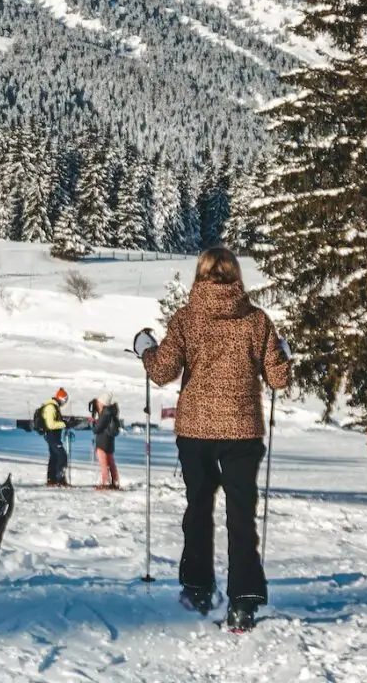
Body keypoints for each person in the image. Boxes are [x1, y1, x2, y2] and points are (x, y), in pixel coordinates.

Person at [138, 246, 291, 632]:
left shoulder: (187, 319)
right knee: (241, 516)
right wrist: (283, 355)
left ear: (201, 273)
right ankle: (243, 601)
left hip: (195, 430)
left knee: (198, 508)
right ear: (236, 275)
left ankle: (197, 586)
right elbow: (278, 379)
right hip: (242, 430)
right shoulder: (257, 321)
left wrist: (145, 349)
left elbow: (162, 371)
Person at [36, 388, 71, 486]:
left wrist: (64, 421)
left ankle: (52, 479)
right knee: (62, 456)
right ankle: (59, 479)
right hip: (51, 434)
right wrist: (64, 424)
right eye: (65, 400)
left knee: (54, 457)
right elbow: (50, 424)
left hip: (53, 435)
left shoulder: (54, 406)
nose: (65, 403)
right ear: (61, 399)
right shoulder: (51, 407)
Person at [89, 394, 123, 489]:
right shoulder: (112, 411)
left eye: (99, 402)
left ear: (103, 403)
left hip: (102, 441)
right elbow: (105, 425)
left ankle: (106, 482)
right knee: (111, 462)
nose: (98, 404)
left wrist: (94, 423)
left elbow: (97, 429)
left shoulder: (105, 413)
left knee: (103, 463)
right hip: (109, 441)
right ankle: (115, 481)